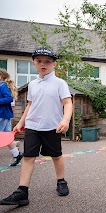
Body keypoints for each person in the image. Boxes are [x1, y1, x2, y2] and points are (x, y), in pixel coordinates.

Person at [0, 46, 73, 206]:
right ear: (34, 63)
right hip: (33, 127)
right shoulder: (33, 84)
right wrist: (21, 122)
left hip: (52, 127)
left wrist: (65, 120)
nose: (43, 64)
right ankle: (22, 191)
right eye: (39, 61)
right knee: (28, 157)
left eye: (47, 61)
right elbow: (30, 105)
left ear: (54, 64)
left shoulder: (60, 83)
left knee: (56, 155)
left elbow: (67, 103)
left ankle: (61, 181)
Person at [0, 69, 23, 166]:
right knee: (7, 137)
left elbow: (9, 98)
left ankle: (16, 154)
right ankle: (17, 154)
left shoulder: (2, 86)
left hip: (2, 115)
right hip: (4, 115)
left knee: (4, 136)